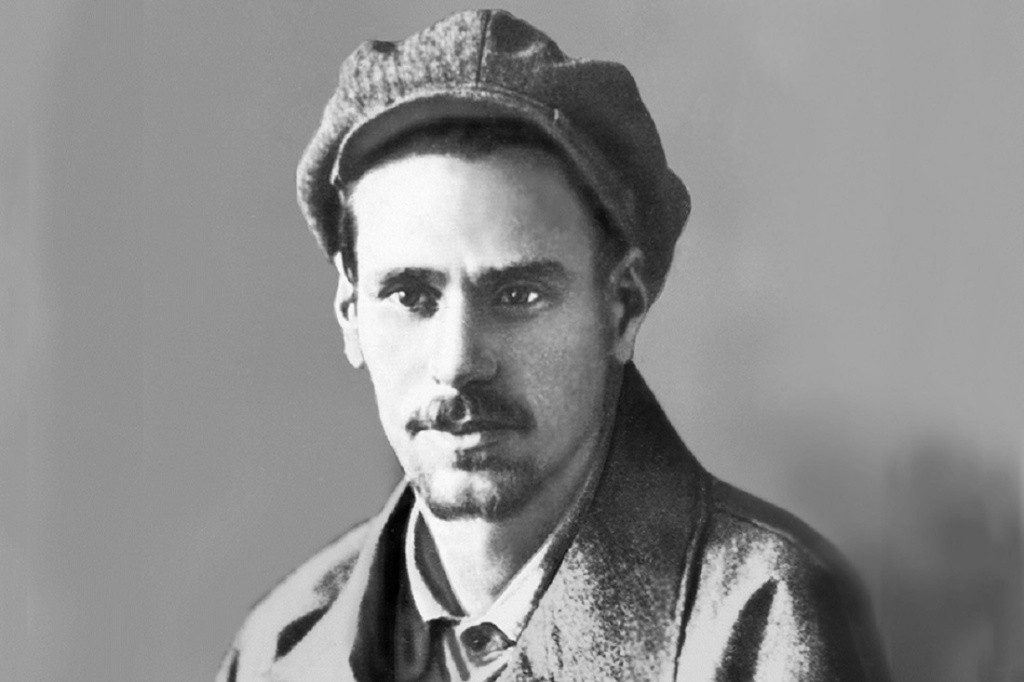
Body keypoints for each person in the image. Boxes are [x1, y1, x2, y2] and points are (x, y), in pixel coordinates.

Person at [217, 9, 889, 682]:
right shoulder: (279, 645)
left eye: (518, 295)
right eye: (411, 297)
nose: (458, 362)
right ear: (349, 312)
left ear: (622, 308)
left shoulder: (761, 620)